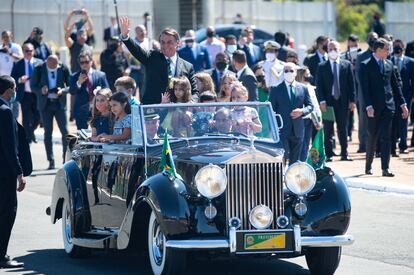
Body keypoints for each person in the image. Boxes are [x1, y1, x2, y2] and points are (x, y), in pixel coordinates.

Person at [120, 16, 197, 104]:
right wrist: (125, 37)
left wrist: (191, 103)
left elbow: (194, 92)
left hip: (177, 113)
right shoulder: (152, 57)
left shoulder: (187, 66)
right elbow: (137, 51)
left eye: (169, 42)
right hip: (153, 110)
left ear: (178, 43)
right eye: (162, 42)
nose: (165, 46)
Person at [360, 38, 409, 177]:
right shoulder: (365, 65)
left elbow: (396, 87)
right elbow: (364, 88)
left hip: (389, 107)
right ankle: (368, 165)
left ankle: (385, 168)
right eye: (387, 49)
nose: (389, 51)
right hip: (373, 109)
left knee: (386, 138)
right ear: (379, 50)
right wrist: (368, 105)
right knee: (372, 137)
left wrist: (403, 104)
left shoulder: (390, 64)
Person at [0, 75, 28, 269]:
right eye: (14, 89)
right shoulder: (5, 111)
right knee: (7, 212)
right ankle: (1, 255)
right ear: (9, 90)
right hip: (4, 172)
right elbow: (10, 147)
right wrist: (19, 172)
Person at [316, 40, 356, 161]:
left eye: (335, 49)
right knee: (328, 129)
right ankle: (329, 154)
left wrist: (352, 101)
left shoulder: (346, 64)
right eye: (330, 49)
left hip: (343, 102)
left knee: (342, 128)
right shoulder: (322, 66)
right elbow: (319, 85)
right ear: (327, 51)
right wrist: (321, 101)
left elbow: (351, 84)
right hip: (328, 103)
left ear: (339, 50)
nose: (333, 51)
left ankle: (344, 153)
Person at [31, 55, 71, 169]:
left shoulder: (63, 68)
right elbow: (32, 86)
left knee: (65, 132)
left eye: (57, 65)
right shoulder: (39, 68)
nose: (55, 67)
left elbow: (70, 85)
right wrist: (41, 90)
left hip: (59, 104)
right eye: (53, 66)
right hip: (45, 105)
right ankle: (51, 160)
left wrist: (63, 90)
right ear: (47, 63)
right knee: (48, 133)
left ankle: (65, 159)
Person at [269, 62, 313, 165]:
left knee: (295, 161)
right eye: (286, 71)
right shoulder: (276, 89)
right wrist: (274, 128)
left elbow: (310, 106)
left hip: (298, 129)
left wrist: (302, 111)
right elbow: (271, 110)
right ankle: (280, 178)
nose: (288, 73)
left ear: (296, 72)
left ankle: (291, 180)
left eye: (291, 70)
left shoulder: (303, 88)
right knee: (282, 158)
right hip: (282, 130)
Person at [11, 43, 43, 143]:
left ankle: (31, 131)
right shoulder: (18, 64)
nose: (29, 53)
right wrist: (20, 80)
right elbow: (13, 78)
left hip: (37, 94)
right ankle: (27, 138)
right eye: (26, 51)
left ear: (33, 51)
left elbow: (43, 77)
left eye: (31, 51)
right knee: (26, 118)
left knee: (38, 117)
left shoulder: (40, 63)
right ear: (23, 52)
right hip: (25, 94)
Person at [69, 50, 109, 130]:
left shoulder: (101, 75)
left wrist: (100, 93)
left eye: (86, 62)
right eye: (82, 62)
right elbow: (71, 91)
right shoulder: (75, 76)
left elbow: (107, 91)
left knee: (98, 133)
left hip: (99, 109)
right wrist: (79, 83)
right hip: (81, 111)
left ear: (91, 61)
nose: (84, 64)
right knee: (82, 136)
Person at [355, 32, 378, 153]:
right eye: (370, 39)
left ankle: (375, 145)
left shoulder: (380, 55)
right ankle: (363, 144)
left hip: (377, 92)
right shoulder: (361, 56)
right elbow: (358, 75)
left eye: (374, 39)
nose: (372, 41)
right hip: (363, 92)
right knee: (363, 120)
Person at [391, 39, 414, 154]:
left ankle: (403, 145)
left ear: (404, 48)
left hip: (406, 96)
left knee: (404, 121)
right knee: (393, 121)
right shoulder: (389, 60)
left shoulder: (410, 62)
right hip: (391, 97)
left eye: (399, 47)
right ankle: (393, 146)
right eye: (395, 47)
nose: (397, 49)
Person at [297, 66, 322, 161]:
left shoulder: (310, 88)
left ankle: (305, 162)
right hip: (301, 119)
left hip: (309, 119)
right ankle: (301, 163)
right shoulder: (299, 88)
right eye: (307, 74)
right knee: (302, 144)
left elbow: (315, 105)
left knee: (307, 143)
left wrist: (318, 119)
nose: (309, 76)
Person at [341, 34, 361, 142]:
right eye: (351, 44)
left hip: (359, 84)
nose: (353, 46)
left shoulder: (361, 54)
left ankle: (361, 135)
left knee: (361, 110)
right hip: (348, 85)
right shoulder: (343, 55)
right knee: (349, 110)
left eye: (356, 44)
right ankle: (348, 133)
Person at [1, 30, 23, 118]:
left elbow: (21, 59)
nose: (6, 39)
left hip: (14, 80)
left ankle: (14, 121)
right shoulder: (0, 48)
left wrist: (10, 53)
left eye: (8, 36)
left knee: (14, 102)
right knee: (3, 101)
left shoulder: (16, 47)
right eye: (4, 37)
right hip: (2, 80)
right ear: (2, 38)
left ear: (11, 37)